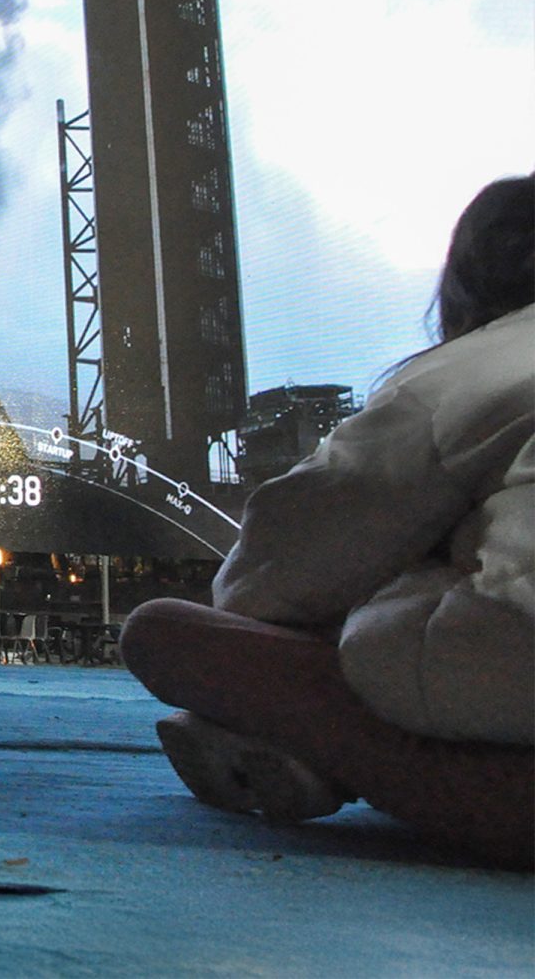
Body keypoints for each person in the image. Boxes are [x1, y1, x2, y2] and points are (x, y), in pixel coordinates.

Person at [121, 174, 534, 869]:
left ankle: (328, 756)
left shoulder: (467, 372)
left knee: (166, 632)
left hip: (511, 665)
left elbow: (269, 578)